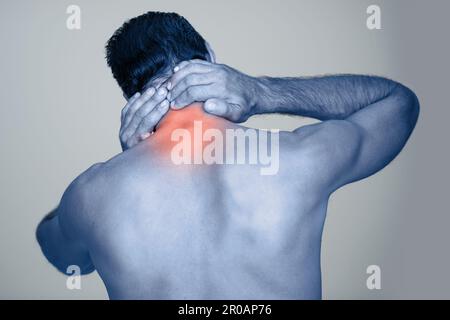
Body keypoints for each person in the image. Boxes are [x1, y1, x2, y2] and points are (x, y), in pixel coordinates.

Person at [36, 12, 419, 299]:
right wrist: (262, 91)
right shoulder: (299, 159)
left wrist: (125, 164)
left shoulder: (92, 195)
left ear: (131, 98)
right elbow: (398, 103)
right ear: (210, 58)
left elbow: (62, 255)